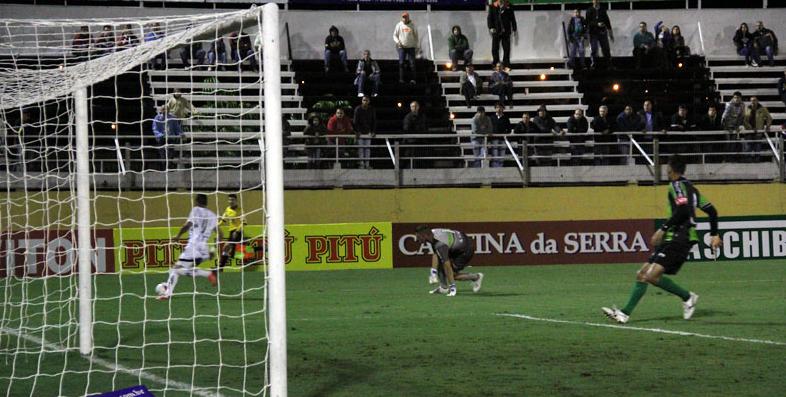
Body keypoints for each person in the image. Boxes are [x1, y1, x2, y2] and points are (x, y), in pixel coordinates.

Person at [602, 155, 721, 323]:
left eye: (667, 168)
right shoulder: (692, 189)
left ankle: (688, 297)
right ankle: (624, 313)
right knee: (642, 274)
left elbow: (682, 210)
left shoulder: (676, 185)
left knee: (651, 276)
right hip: (673, 238)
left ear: (670, 170)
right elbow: (712, 211)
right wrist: (715, 234)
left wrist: (662, 229)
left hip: (680, 237)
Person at [159, 194, 222, 300]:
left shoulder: (196, 210)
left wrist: (178, 235)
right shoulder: (213, 215)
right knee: (182, 269)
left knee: (175, 270)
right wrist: (213, 249)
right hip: (204, 249)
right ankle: (168, 289)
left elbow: (187, 225)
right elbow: (220, 234)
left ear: (196, 201)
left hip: (193, 246)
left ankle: (167, 293)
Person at [416, 225, 483, 297]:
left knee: (452, 274)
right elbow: (436, 253)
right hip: (458, 241)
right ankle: (443, 288)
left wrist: (452, 287)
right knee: (441, 261)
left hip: (465, 250)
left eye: (418, 237)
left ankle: (476, 277)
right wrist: (433, 272)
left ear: (425, 235)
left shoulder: (440, 244)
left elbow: (447, 266)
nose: (417, 239)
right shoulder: (432, 233)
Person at [218, 193, 246, 273]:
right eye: (229, 199)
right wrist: (217, 225)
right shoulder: (227, 209)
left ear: (236, 200)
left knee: (228, 247)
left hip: (238, 232)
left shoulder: (240, 210)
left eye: (232, 200)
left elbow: (244, 222)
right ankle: (221, 267)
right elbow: (223, 221)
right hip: (231, 232)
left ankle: (221, 267)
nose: (231, 201)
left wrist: (237, 231)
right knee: (236, 251)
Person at [487, 0, 517, 67]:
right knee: (494, 49)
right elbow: (489, 18)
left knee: (506, 49)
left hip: (506, 31)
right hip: (496, 31)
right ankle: (496, 63)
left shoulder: (509, 6)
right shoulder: (493, 6)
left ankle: (506, 64)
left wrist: (514, 28)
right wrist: (491, 27)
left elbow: (512, 18)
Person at [152, 105, 182, 170]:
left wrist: (181, 134)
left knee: (170, 153)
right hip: (161, 138)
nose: (165, 111)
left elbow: (177, 128)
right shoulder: (157, 118)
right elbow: (155, 128)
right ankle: (164, 167)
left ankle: (168, 166)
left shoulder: (173, 118)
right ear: (161, 110)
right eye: (163, 109)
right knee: (162, 154)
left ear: (168, 110)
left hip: (170, 137)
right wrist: (160, 135)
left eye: (166, 109)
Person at [586, 0, 614, 69]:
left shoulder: (602, 10)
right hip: (593, 33)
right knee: (594, 49)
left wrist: (611, 34)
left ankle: (609, 64)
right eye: (595, 0)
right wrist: (596, 24)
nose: (596, 1)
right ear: (592, 1)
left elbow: (607, 21)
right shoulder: (589, 10)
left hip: (602, 32)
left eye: (597, 0)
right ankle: (593, 64)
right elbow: (587, 23)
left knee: (606, 49)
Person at [743, 96, 772, 162]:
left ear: (757, 101)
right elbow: (744, 121)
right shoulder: (747, 108)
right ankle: (748, 160)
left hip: (758, 131)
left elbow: (769, 118)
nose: (753, 102)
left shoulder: (762, 109)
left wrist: (768, 126)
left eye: (754, 100)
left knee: (758, 146)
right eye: (751, 100)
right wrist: (751, 128)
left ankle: (757, 160)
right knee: (748, 146)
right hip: (749, 131)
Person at [393, 12, 419, 84]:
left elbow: (416, 36)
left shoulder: (412, 25)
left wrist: (416, 46)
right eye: (403, 17)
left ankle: (413, 79)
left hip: (411, 47)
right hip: (401, 47)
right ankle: (401, 79)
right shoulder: (399, 25)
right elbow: (394, 35)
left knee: (412, 63)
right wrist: (398, 42)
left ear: (408, 17)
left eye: (405, 17)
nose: (404, 18)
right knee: (401, 63)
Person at [353, 96, 377, 169]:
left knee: (367, 149)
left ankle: (367, 164)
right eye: (363, 100)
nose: (365, 101)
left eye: (366, 100)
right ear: (362, 101)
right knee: (360, 149)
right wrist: (357, 131)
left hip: (368, 132)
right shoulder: (358, 109)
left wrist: (373, 131)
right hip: (360, 132)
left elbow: (374, 121)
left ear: (368, 101)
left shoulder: (372, 109)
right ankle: (361, 164)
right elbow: (355, 121)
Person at [489, 102, 511, 167]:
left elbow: (509, 129)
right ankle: (495, 170)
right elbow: (489, 128)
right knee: (495, 155)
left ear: (503, 109)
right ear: (495, 108)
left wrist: (505, 134)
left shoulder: (506, 118)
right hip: (494, 139)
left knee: (502, 155)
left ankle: (500, 168)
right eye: (497, 107)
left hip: (502, 139)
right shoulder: (492, 117)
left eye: (500, 107)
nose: (499, 109)